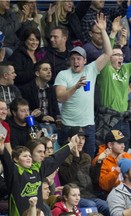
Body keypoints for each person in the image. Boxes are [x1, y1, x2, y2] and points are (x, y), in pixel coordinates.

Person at [54, 13, 112, 157]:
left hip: (87, 126)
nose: (76, 62)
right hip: (68, 125)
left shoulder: (91, 69)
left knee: (88, 159)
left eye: (79, 58)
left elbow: (108, 53)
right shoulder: (63, 74)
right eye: (73, 58)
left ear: (85, 60)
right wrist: (75, 87)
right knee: (67, 161)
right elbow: (60, 97)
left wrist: (103, 30)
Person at [0, 132, 79, 216]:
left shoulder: (38, 169)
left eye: (29, 156)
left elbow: (55, 159)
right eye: (25, 156)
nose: (43, 155)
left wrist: (71, 144)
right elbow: (7, 162)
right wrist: (2, 150)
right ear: (16, 159)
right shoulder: (14, 171)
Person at [58, 127, 110, 216]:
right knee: (91, 206)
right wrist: (76, 158)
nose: (81, 142)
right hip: (74, 197)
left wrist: (98, 162)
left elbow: (94, 180)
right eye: (78, 138)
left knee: (107, 206)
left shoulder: (86, 156)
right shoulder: (63, 157)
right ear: (70, 139)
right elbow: (67, 178)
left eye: (83, 139)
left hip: (90, 196)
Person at [19, 61, 60, 136]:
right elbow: (25, 110)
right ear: (37, 73)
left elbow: (55, 107)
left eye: (50, 70)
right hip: (35, 122)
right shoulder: (26, 89)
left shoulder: (51, 88)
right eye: (45, 69)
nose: (49, 72)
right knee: (48, 129)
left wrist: (58, 119)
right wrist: (42, 117)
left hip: (51, 122)